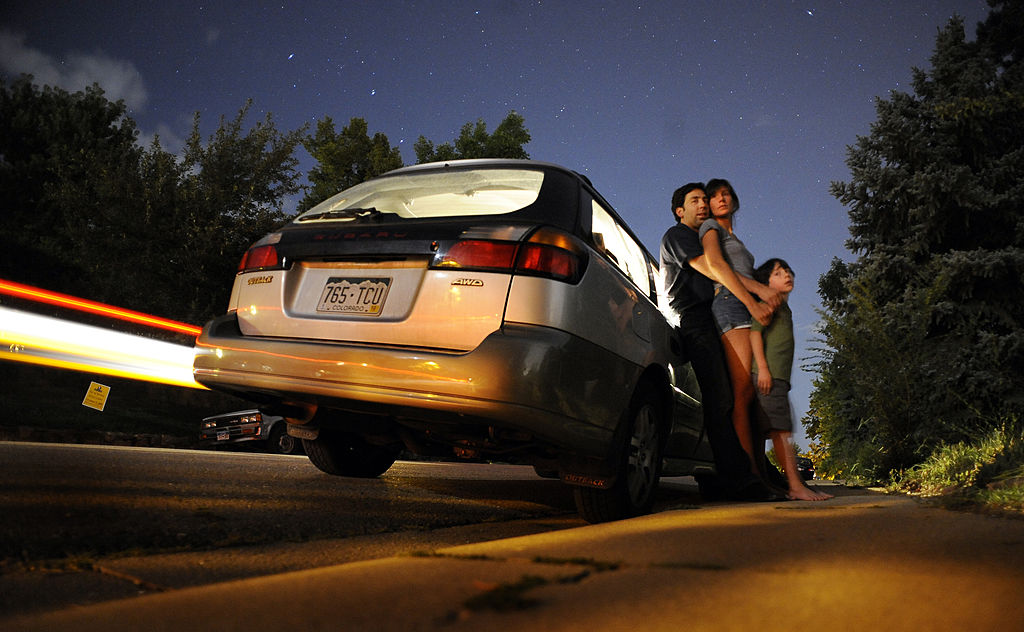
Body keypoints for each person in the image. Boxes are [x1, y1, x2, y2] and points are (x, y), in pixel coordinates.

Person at [660, 183, 784, 502]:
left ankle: (743, 473)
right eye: (695, 201)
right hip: (694, 319)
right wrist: (756, 294)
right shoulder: (677, 235)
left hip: (710, 318)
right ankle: (740, 481)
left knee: (735, 397)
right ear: (679, 211)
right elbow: (714, 269)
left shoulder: (702, 236)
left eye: (705, 199)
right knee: (722, 400)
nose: (703, 205)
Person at [699, 178, 782, 473]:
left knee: (758, 395)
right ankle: (748, 474)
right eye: (714, 196)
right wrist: (755, 296)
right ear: (709, 204)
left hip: (748, 307)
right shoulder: (710, 228)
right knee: (743, 391)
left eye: (726, 194)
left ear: (734, 200)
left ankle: (761, 472)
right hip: (730, 303)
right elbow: (717, 265)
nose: (721, 199)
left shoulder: (737, 239)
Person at [750, 258, 832, 501]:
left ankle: (783, 484)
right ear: (766, 282)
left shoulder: (784, 308)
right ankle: (796, 486)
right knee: (781, 431)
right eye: (777, 273)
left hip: (779, 379)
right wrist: (763, 369)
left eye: (787, 270)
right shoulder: (770, 303)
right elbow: (755, 334)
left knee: (776, 430)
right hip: (769, 377)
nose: (786, 274)